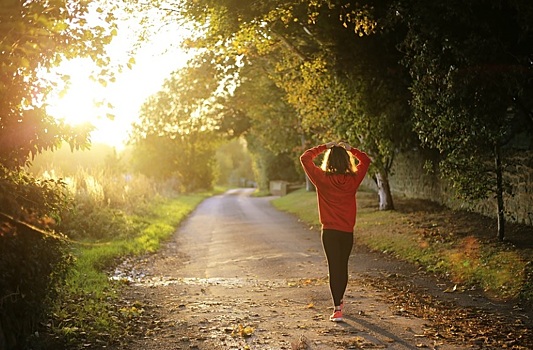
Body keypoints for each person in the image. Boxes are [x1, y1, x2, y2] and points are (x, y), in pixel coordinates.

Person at [300, 141, 371, 322]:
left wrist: (324, 146)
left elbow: (305, 158)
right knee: (343, 266)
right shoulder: (353, 180)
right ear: (347, 161)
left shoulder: (321, 179)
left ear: (328, 161)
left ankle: (337, 308)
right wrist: (351, 149)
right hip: (347, 232)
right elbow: (366, 160)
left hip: (329, 232)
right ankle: (340, 300)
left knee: (334, 267)